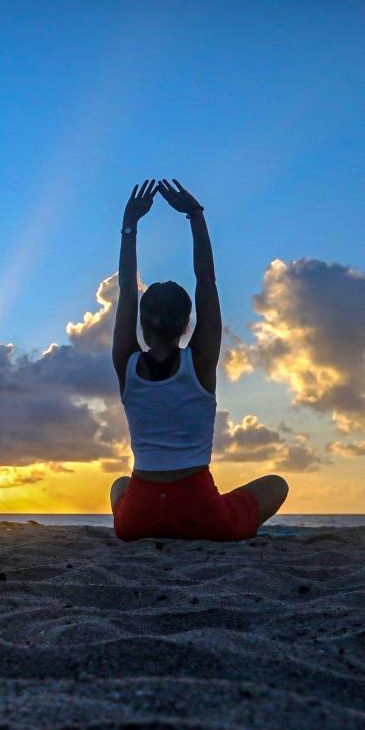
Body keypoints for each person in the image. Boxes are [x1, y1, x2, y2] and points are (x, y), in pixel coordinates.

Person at [109, 180, 288, 541]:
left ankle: (148, 513)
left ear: (142, 324)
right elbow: (206, 279)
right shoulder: (201, 361)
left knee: (120, 484)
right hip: (201, 514)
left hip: (138, 519)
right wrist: (195, 215)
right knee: (276, 484)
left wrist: (131, 225)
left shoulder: (126, 363)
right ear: (186, 324)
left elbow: (127, 286)